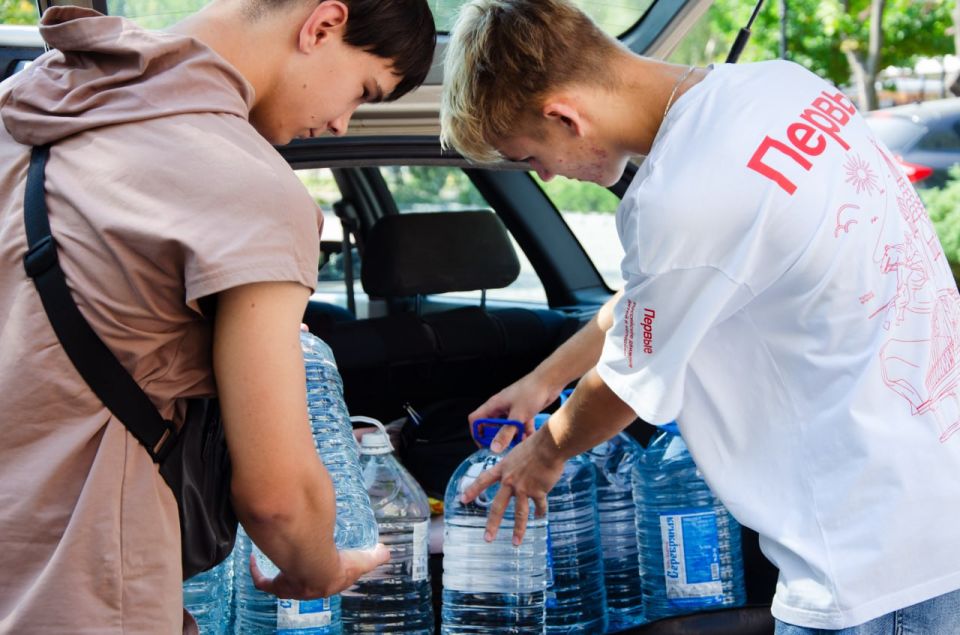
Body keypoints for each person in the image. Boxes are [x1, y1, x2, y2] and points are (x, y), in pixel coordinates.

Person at [440, 0, 960, 632]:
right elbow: (666, 294)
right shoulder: (782, 87)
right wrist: (544, 381)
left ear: (564, 116)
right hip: (933, 504)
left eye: (531, 157)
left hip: (870, 565)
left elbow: (625, 388)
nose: (546, 175)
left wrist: (542, 458)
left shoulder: (681, 197)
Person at [0, 0, 435, 632]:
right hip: (82, 597)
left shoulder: (23, 111)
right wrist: (320, 568)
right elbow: (278, 501)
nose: (342, 123)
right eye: (363, 91)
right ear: (323, 25)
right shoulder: (251, 188)